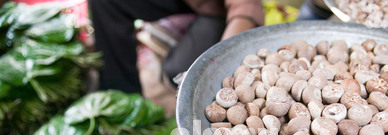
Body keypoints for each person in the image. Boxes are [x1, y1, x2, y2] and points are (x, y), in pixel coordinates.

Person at [88, 0, 265, 94]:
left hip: (218, 8)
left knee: (182, 73)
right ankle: (120, 97)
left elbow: (246, 7)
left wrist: (224, 57)